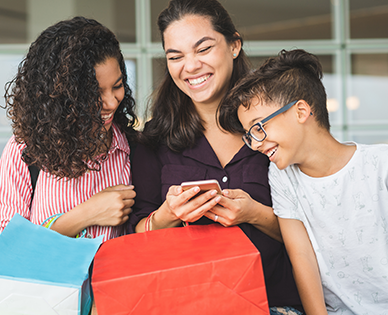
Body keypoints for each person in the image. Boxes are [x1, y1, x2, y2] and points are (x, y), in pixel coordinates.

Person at [225, 49, 388, 314]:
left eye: (258, 128)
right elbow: (303, 259)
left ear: (301, 111)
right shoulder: (281, 178)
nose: (255, 144)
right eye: (249, 135)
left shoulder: (385, 162)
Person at [129, 0, 303, 314]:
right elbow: (132, 237)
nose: (191, 66)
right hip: (185, 306)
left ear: (234, 45)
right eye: (176, 56)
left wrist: (254, 214)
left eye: (203, 48)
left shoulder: (275, 129)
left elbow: (316, 230)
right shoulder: (155, 139)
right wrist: (166, 215)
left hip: (275, 305)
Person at [0, 17, 138, 245]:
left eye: (117, 86)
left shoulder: (134, 149)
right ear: (62, 96)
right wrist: (85, 215)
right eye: (95, 94)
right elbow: (1, 245)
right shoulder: (26, 152)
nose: (112, 102)